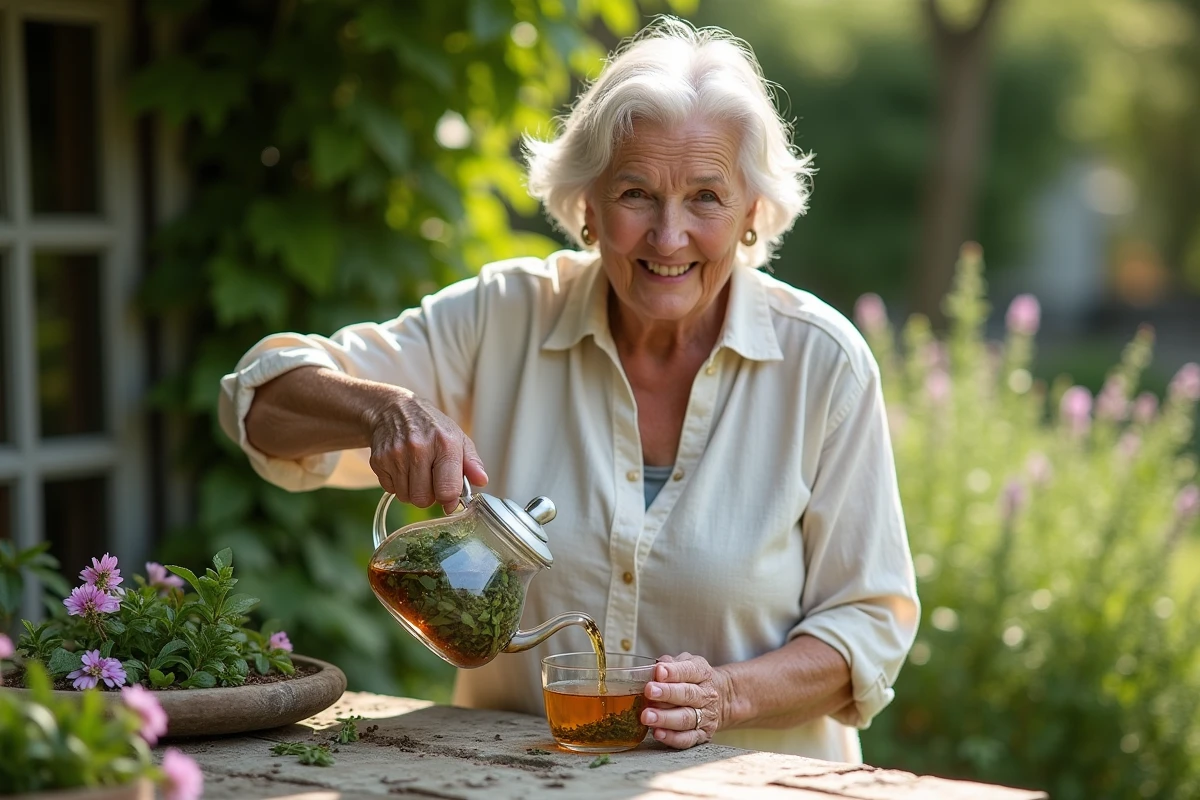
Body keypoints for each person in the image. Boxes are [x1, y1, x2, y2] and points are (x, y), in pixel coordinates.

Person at [219, 17, 918, 762]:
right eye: (636, 193)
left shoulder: (824, 364)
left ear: (752, 214)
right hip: (520, 781)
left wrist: (728, 695)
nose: (669, 236)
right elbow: (257, 402)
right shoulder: (501, 317)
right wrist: (385, 408)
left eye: (706, 198)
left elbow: (868, 626)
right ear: (586, 206)